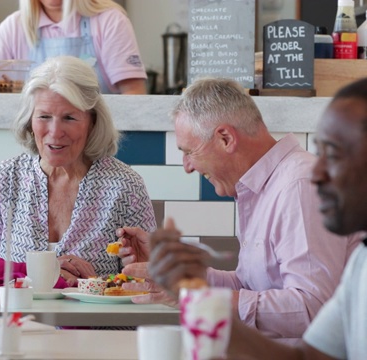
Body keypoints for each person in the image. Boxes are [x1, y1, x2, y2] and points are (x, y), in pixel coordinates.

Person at [119, 77, 360, 344]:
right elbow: (252, 288)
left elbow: (311, 308)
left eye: (189, 152)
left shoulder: (299, 186)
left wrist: (197, 297)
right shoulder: (258, 187)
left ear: (225, 138)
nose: (187, 166)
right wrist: (180, 276)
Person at [0, 55, 156, 286]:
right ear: (30, 120)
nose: (55, 132)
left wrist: (94, 284)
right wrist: (42, 276)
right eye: (44, 117)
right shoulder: (3, 180)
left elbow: (148, 284)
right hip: (19, 322)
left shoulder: (125, 186)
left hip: (99, 324)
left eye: (69, 118)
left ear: (93, 122)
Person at [0, 0, 147, 94]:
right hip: (34, 142)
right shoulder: (12, 28)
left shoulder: (110, 21)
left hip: (97, 143)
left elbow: (133, 92)